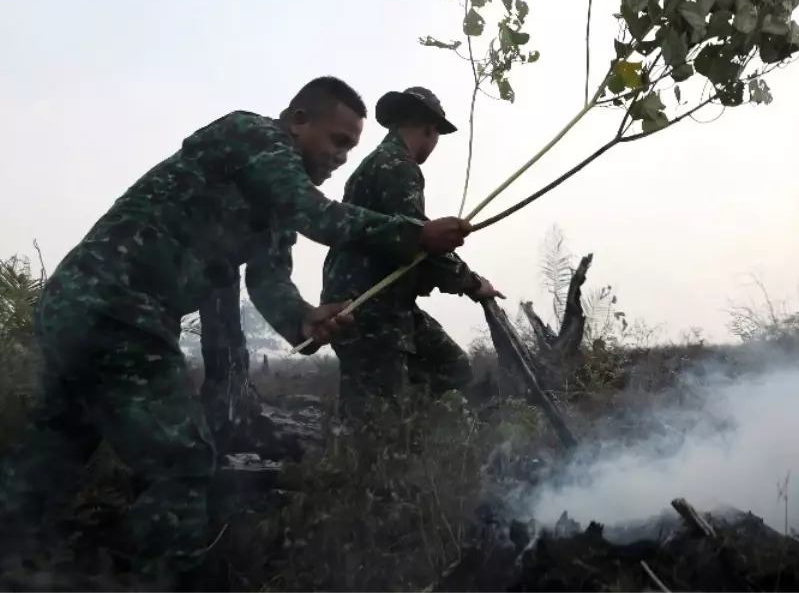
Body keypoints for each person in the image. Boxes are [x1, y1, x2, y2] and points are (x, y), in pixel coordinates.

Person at [0, 77, 472, 589]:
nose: (341, 158)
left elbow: (270, 278)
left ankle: (14, 556)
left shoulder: (274, 203)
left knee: (55, 449)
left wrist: (303, 319)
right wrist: (413, 234)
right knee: (182, 463)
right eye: (337, 141)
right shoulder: (252, 136)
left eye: (350, 148)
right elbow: (313, 213)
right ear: (297, 120)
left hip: (85, 308)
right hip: (118, 310)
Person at [322, 87, 503, 424]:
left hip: (384, 305)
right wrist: (472, 283)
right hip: (367, 309)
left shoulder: (376, 164)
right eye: (437, 135)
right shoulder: (398, 167)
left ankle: (414, 437)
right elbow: (419, 243)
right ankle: (375, 458)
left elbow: (407, 240)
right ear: (429, 130)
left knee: (452, 365)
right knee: (375, 419)